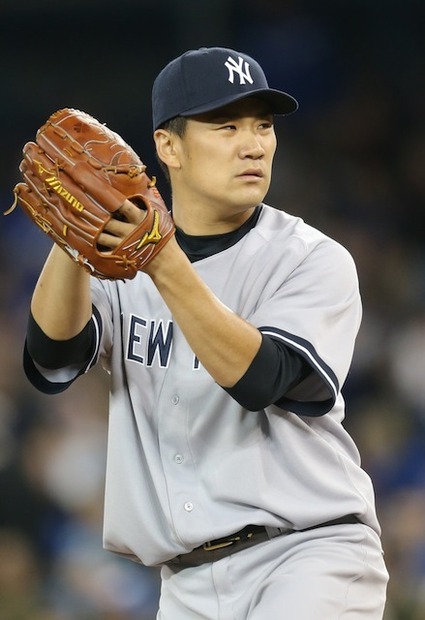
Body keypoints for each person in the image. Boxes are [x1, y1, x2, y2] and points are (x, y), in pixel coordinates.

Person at [23, 47, 388, 619]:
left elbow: (264, 379)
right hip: (187, 584)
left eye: (263, 125)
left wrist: (162, 259)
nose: (255, 144)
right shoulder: (124, 260)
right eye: (226, 126)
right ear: (169, 146)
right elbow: (52, 363)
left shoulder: (310, 259)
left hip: (307, 557)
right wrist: (73, 235)